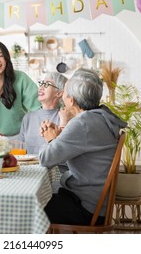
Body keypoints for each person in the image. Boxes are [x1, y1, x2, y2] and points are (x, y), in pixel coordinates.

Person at [38, 68, 127, 226]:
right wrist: (58, 138)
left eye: (64, 92)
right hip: (96, 203)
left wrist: (51, 139)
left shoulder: (82, 123)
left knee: (31, 206)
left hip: (86, 208)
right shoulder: (99, 116)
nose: (63, 96)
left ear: (71, 100)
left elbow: (45, 159)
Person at [18, 71, 68, 154]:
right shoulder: (28, 118)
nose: (41, 87)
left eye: (47, 84)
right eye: (41, 83)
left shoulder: (65, 117)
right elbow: (20, 150)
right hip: (29, 166)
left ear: (59, 93)